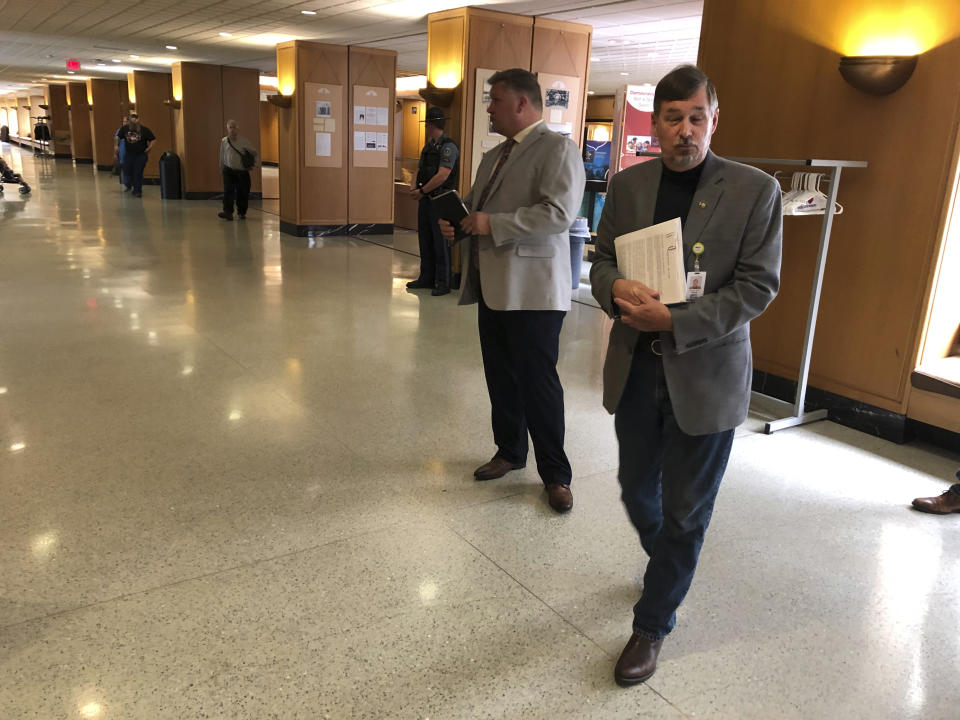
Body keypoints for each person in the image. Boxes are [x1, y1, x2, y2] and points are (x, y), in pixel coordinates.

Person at [589, 64, 783, 686]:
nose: (685, 131)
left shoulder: (755, 191)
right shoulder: (627, 185)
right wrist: (614, 284)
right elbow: (599, 262)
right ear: (656, 122)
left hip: (706, 376)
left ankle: (652, 625)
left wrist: (673, 320)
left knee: (685, 511)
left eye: (697, 117)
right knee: (635, 488)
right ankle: (670, 562)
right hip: (636, 372)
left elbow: (758, 286)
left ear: (713, 120)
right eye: (673, 118)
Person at [438, 68, 585, 514]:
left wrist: (492, 224)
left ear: (522, 103)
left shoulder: (558, 148)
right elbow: (477, 208)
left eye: (495, 100)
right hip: (493, 284)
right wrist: (460, 222)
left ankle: (556, 474)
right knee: (500, 374)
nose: (489, 108)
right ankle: (509, 450)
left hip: (535, 292)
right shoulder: (493, 155)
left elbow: (558, 213)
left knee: (538, 383)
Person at [406, 107, 459, 295]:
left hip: (441, 199)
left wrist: (421, 190)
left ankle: (444, 283)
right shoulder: (428, 147)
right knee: (425, 239)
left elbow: (443, 175)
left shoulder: (448, 147)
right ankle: (426, 278)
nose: (426, 127)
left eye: (427, 124)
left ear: (430, 125)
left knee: (440, 241)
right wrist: (414, 188)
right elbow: (418, 169)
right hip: (426, 199)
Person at [219, 119, 258, 221]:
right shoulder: (224, 141)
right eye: (230, 127)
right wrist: (222, 167)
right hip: (228, 170)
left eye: (234, 127)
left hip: (241, 172)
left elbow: (254, 152)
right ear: (227, 129)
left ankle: (241, 212)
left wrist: (253, 162)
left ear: (238, 129)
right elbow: (222, 155)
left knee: (243, 192)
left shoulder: (244, 141)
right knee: (228, 191)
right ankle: (228, 212)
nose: (232, 130)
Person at [114, 112, 155, 198]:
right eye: (132, 118)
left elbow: (153, 139)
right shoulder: (125, 129)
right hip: (129, 155)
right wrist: (116, 145)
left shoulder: (144, 130)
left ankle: (137, 191)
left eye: (136, 118)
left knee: (138, 172)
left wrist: (149, 148)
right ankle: (130, 184)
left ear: (138, 120)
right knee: (127, 171)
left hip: (140, 155)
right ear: (129, 120)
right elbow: (118, 136)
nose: (134, 120)